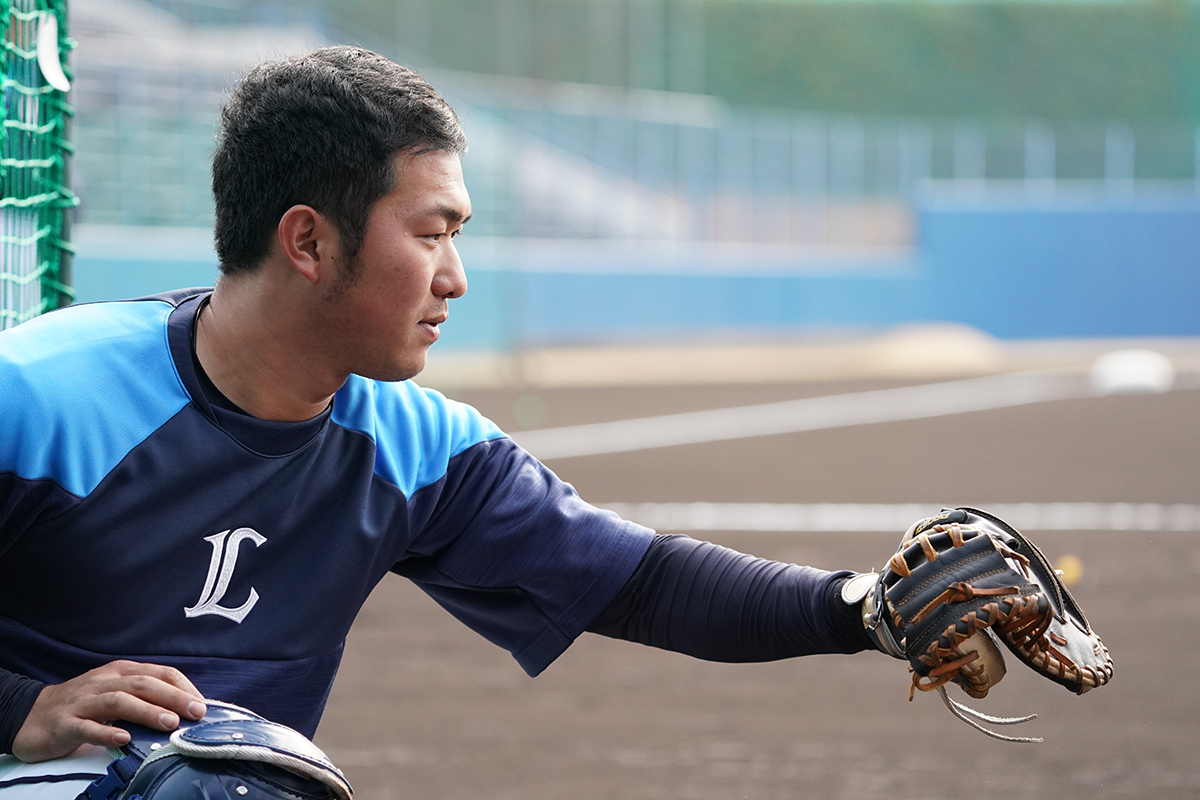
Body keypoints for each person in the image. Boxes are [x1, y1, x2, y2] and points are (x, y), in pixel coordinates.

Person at [0, 46, 883, 797]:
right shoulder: (42, 397)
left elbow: (643, 583)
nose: (455, 277)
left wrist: (865, 608)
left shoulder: (418, 449)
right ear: (307, 243)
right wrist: (21, 710)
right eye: (431, 234)